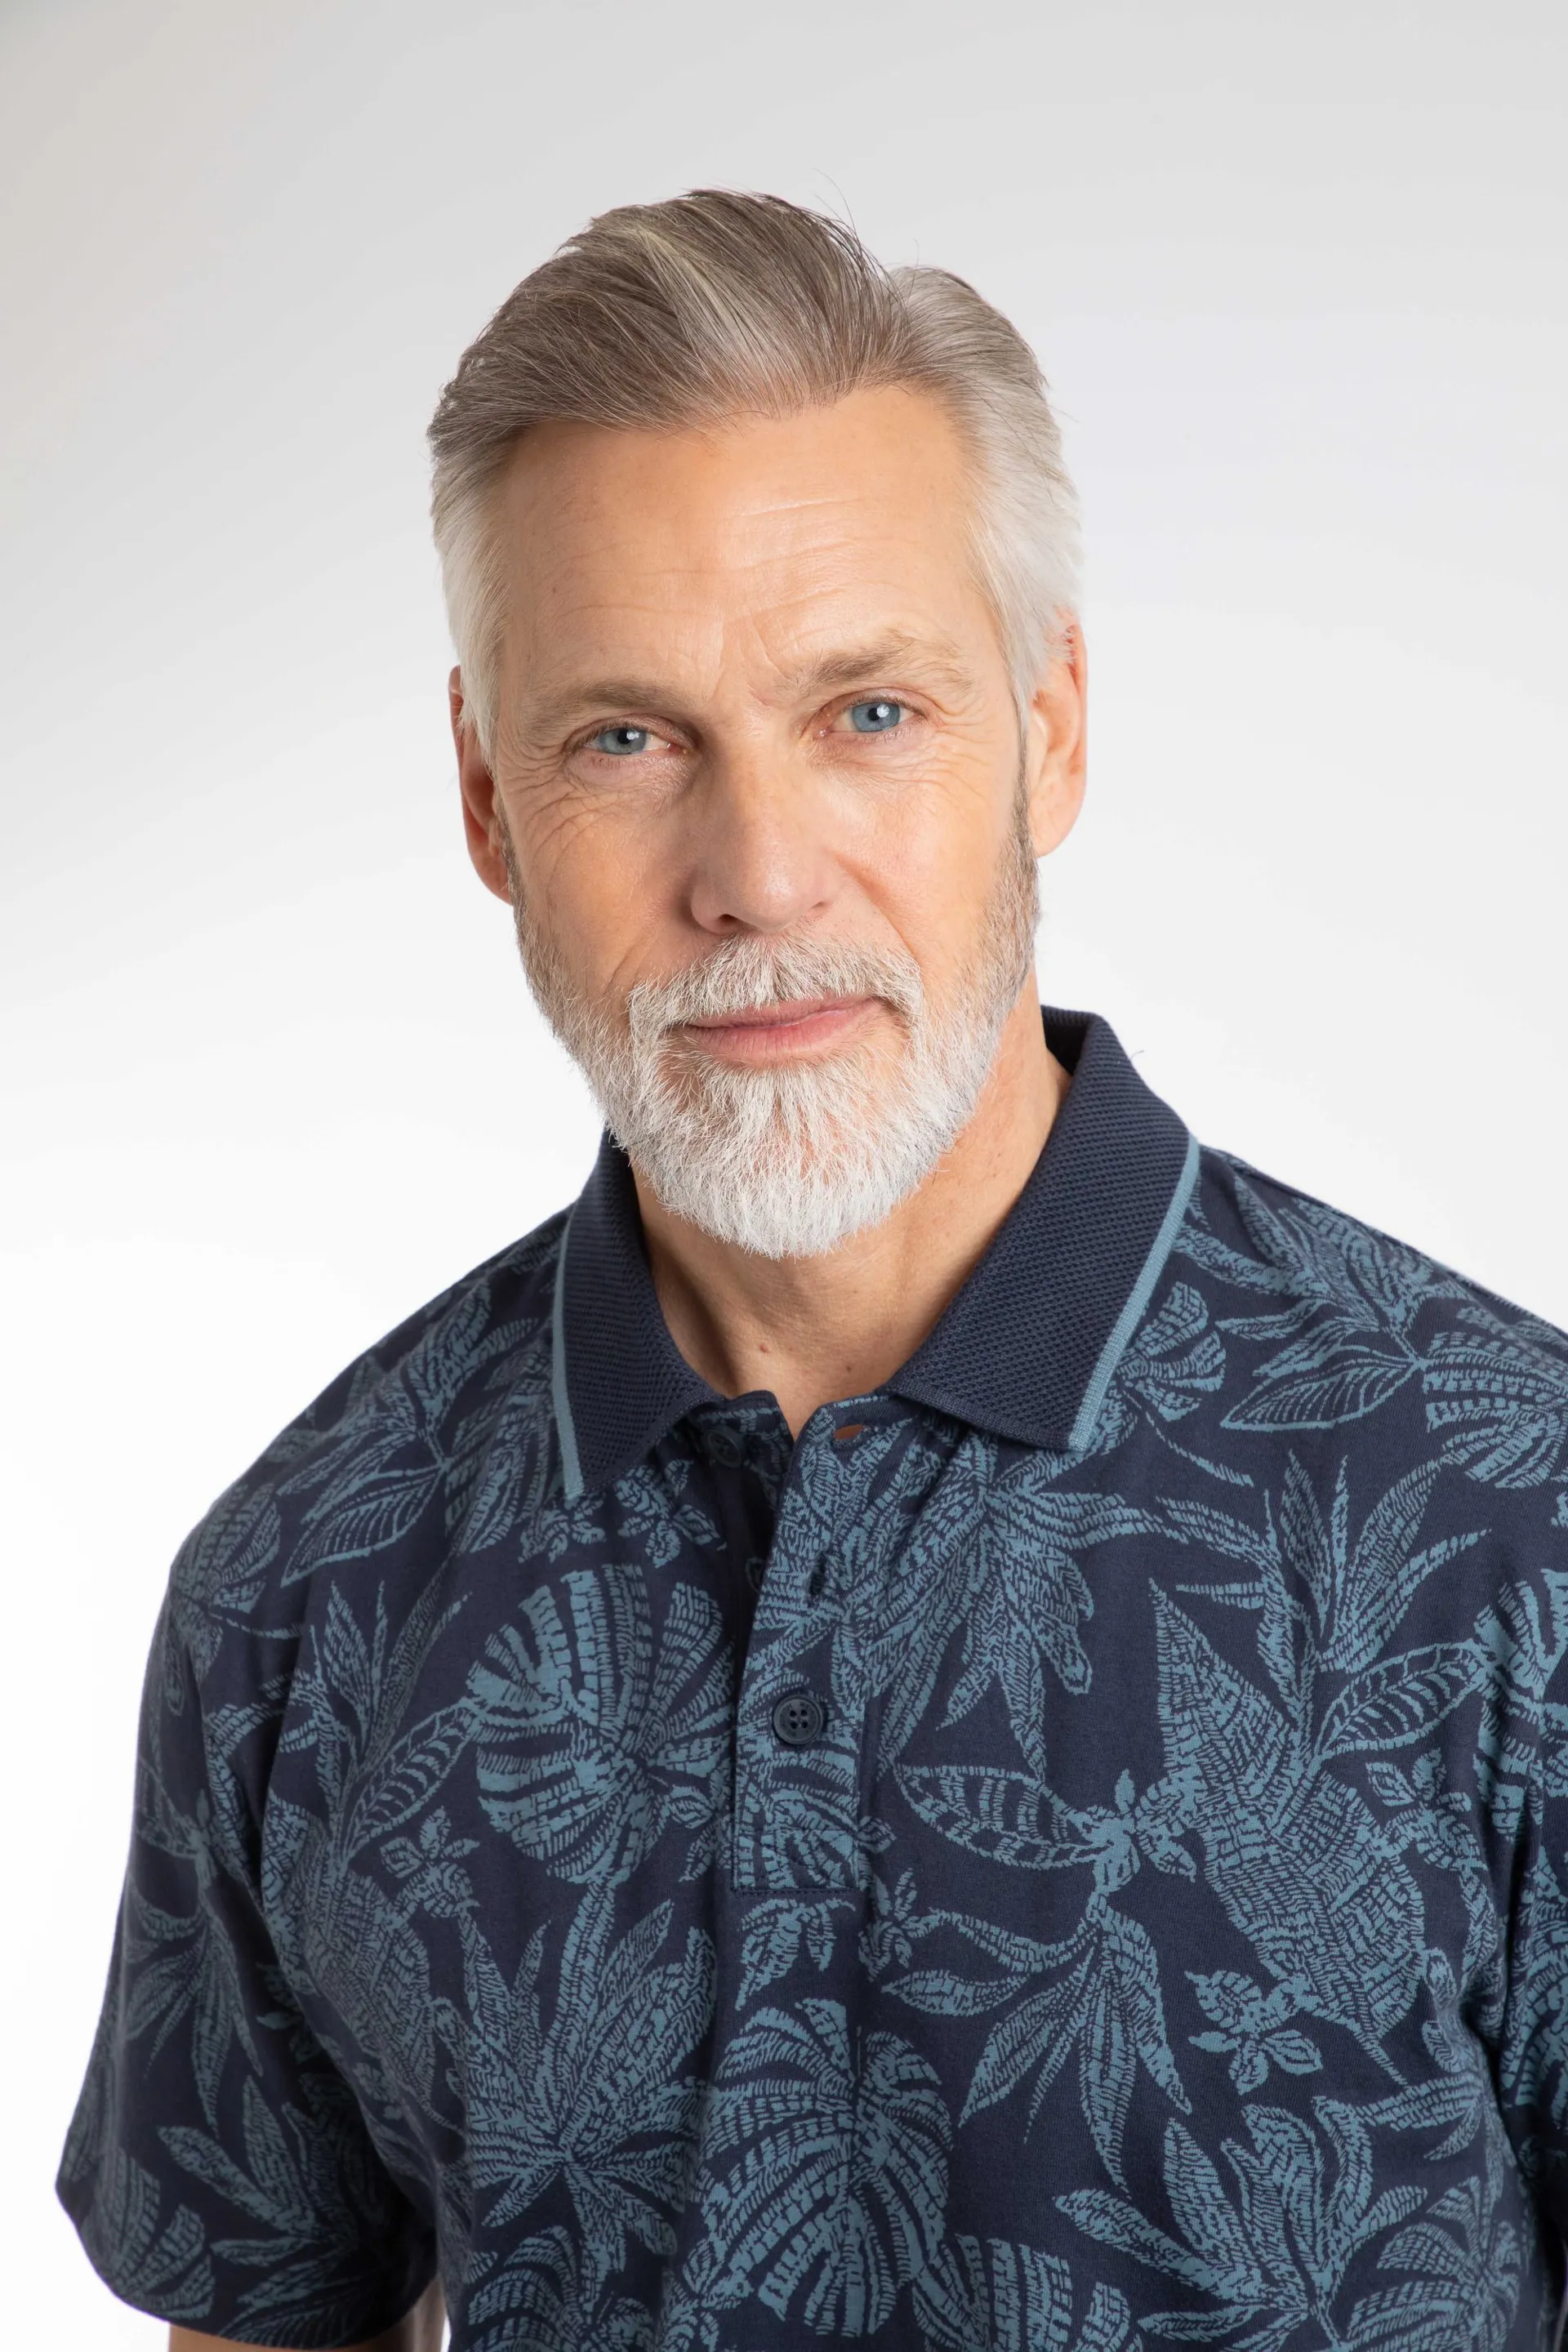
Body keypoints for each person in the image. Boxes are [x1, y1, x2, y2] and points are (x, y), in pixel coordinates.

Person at [57, 189, 1568, 2352]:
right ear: (485, 798)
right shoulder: (303, 1592)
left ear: (1051, 728)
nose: (757, 877)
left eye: (866, 712)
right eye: (626, 737)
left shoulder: (1513, 1516)